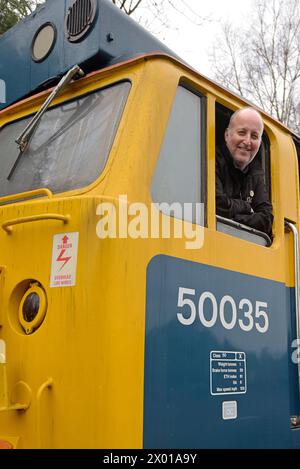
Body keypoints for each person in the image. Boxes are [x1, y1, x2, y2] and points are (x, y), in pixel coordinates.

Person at [216, 107, 273, 238]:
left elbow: (266, 219)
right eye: (242, 133)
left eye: (254, 136)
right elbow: (216, 204)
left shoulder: (256, 173)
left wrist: (235, 220)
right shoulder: (211, 159)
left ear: (259, 143)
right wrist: (247, 208)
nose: (247, 142)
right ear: (227, 135)